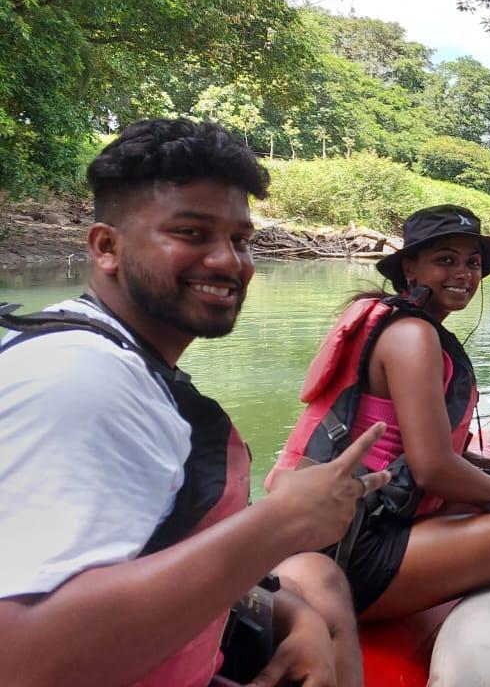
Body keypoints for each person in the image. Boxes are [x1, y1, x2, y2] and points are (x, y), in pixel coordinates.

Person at [0, 118, 389, 687]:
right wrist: (279, 522)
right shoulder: (80, 382)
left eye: (239, 239)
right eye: (191, 233)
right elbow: (21, 661)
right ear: (106, 247)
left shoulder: (123, 359)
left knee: (312, 581)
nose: (229, 262)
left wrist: (296, 617)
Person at [270, 205, 490, 621]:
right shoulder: (411, 335)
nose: (463, 274)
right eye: (445, 260)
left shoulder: (393, 322)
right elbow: (430, 469)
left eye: (472, 263)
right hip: (347, 549)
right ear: (410, 268)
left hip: (341, 527)